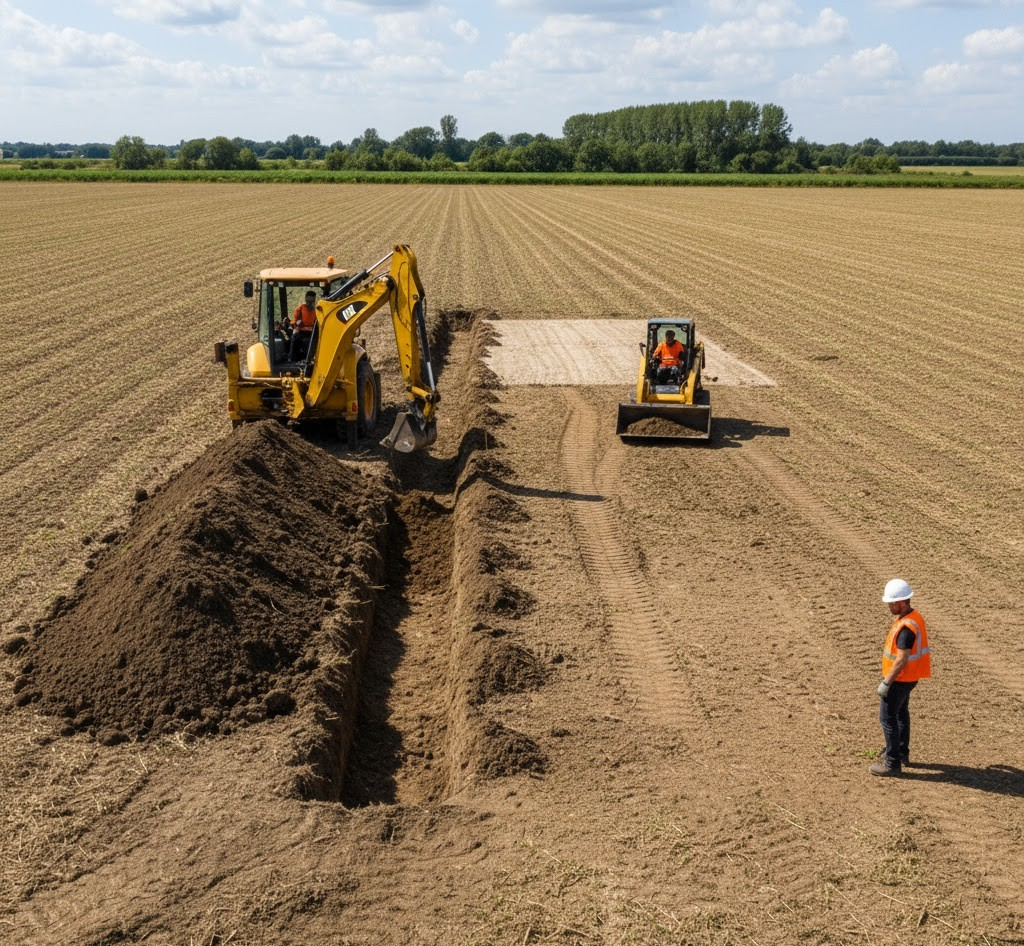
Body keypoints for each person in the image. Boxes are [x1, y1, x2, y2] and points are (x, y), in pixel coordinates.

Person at [869, 578, 931, 777]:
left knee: (887, 718)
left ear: (903, 602)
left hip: (899, 679)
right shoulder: (914, 617)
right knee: (901, 714)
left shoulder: (906, 628)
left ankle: (892, 763)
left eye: (892, 602)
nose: (889, 605)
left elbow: (902, 658)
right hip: (910, 678)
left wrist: (887, 682)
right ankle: (901, 752)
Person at [289, 290, 317, 361]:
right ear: (306, 299)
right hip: (301, 331)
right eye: (308, 300)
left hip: (312, 333)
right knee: (295, 339)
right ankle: (292, 359)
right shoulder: (300, 309)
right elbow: (293, 322)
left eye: (312, 301)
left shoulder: (316, 311)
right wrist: (296, 324)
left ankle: (309, 360)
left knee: (312, 341)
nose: (310, 303)